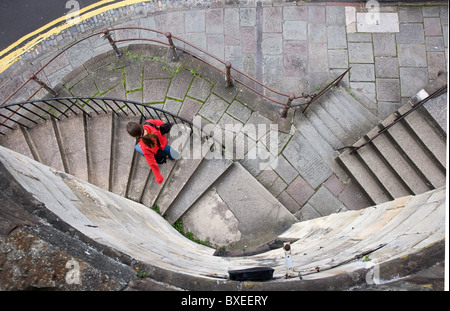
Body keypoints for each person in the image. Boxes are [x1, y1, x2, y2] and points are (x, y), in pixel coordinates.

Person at [126, 119, 180, 184]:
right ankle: (176, 156)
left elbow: (152, 163)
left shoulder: (143, 146)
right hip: (163, 143)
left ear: (134, 136)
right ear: (139, 125)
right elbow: (161, 123)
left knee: (137, 147)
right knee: (171, 152)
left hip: (157, 151)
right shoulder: (149, 123)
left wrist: (158, 177)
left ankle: (171, 156)